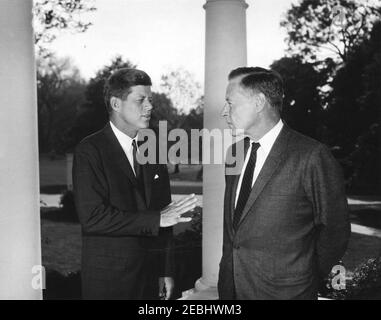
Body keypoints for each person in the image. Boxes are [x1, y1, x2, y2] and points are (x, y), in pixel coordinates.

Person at [218, 67, 350, 300]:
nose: (223, 111)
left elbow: (335, 230)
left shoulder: (312, 155)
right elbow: (234, 231)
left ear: (259, 102)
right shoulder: (234, 153)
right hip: (232, 291)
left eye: (230, 103)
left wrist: (306, 276)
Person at [73, 68, 197, 300]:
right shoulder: (90, 151)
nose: (149, 106)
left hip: (150, 280)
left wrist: (165, 270)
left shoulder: (153, 150)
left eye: (150, 100)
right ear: (116, 104)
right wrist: (157, 219)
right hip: (108, 282)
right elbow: (93, 218)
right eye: (140, 100)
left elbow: (165, 217)